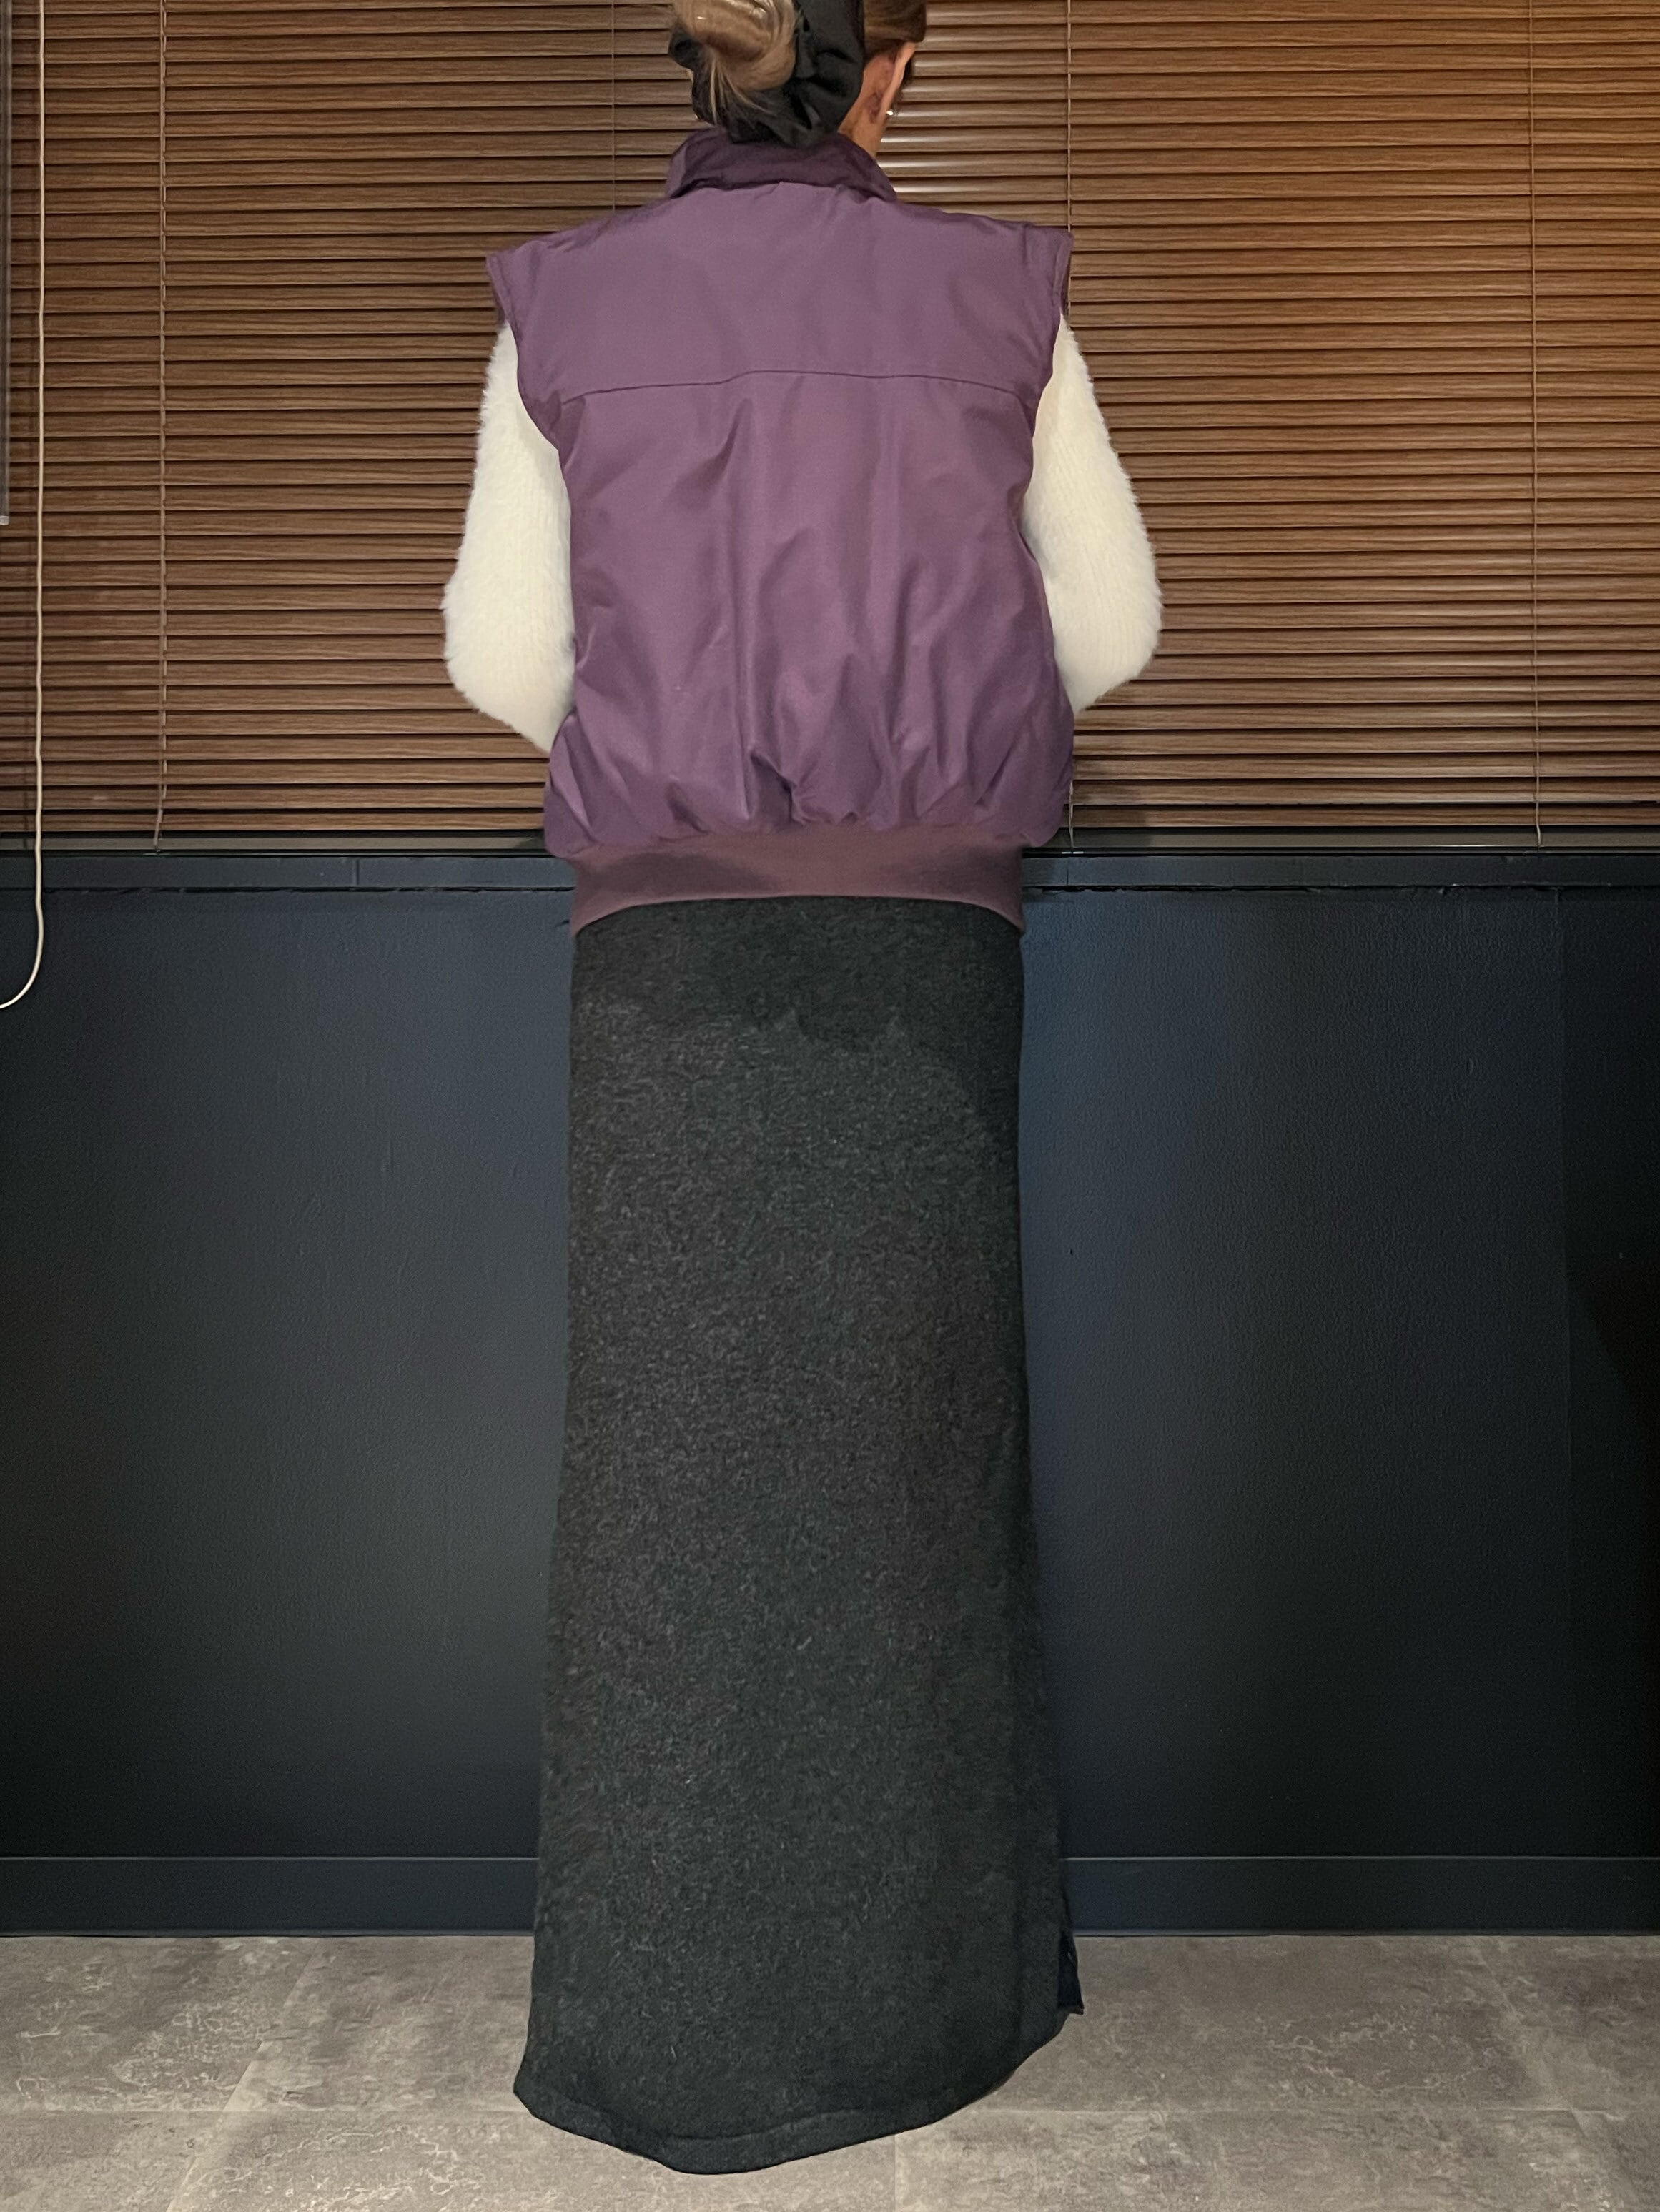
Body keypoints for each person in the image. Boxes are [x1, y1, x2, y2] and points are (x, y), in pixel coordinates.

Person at [441, 0, 1161, 2176]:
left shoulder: (569, 303)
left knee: (672, 1492)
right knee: (910, 1470)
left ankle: (663, 2024)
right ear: (892, 74)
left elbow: (498, 659)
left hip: (665, 956)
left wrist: (683, 721)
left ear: (701, 65)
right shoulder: (993, 296)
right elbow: (1116, 628)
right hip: (925, 950)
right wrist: (922, 719)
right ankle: (916, 1998)